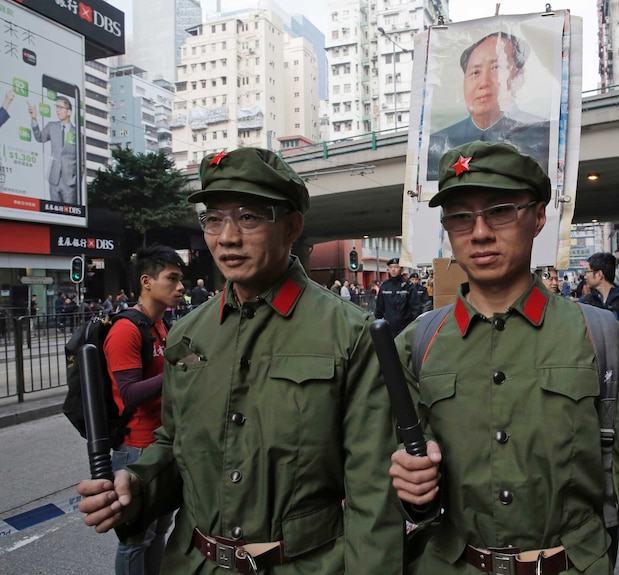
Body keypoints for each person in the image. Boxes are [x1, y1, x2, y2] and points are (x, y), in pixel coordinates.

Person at [76, 147, 404, 574]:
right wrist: (136, 485)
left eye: (248, 217)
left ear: (292, 227)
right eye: (213, 219)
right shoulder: (188, 334)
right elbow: (175, 447)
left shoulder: (350, 332)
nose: (227, 237)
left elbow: (374, 491)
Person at [389, 141, 619, 574]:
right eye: (460, 217)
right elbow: (382, 488)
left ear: (537, 218)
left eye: (500, 210)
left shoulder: (599, 336)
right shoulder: (416, 343)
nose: (479, 232)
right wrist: (414, 493)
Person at [105, 244, 185, 575]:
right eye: (173, 278)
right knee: (135, 539)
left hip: (162, 443)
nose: (180, 287)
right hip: (136, 448)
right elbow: (129, 393)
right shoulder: (126, 330)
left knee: (159, 532)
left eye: (182, 279)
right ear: (147, 281)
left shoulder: (160, 326)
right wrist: (177, 370)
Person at [426, 32, 551, 180]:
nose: (484, 82)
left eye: (496, 67)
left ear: (519, 76)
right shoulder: (437, 142)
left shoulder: (543, 133)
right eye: (475, 72)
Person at [29, 96, 78, 204]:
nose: (57, 110)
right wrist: (34, 119)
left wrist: (76, 180)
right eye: (57, 107)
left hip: (70, 182)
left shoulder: (77, 134)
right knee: (55, 214)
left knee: (70, 214)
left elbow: (81, 162)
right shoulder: (52, 127)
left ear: (69, 112)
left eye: (61, 107)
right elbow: (40, 138)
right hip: (54, 179)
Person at [375, 257, 422, 336]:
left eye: (396, 267)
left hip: (405, 327)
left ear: (402, 270)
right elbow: (379, 307)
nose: (393, 270)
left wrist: (412, 325)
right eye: (391, 267)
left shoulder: (408, 286)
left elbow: (416, 307)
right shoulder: (385, 286)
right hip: (388, 327)